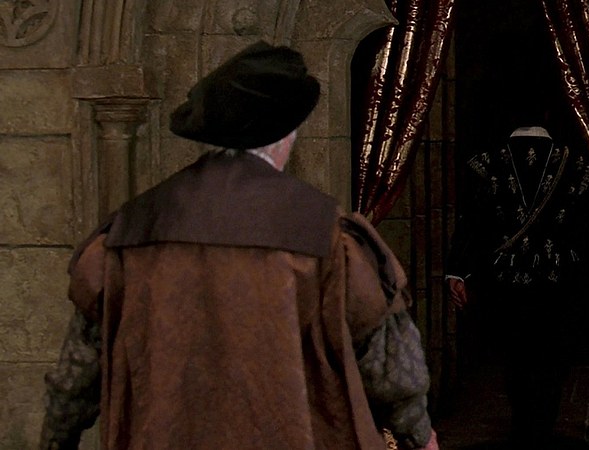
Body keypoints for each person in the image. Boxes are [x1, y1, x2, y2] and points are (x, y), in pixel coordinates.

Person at [39, 41, 438, 450]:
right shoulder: (325, 233)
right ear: (285, 137)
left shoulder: (132, 228)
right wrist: (419, 436)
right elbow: (392, 370)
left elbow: (76, 373)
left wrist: (56, 440)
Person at [446, 123, 589, 448]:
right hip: (558, 285)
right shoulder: (576, 165)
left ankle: (525, 430)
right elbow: (586, 231)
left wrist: (457, 271)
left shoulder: (488, 163)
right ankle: (541, 431)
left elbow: (470, 222)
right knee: (551, 362)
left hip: (505, 285)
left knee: (517, 361)